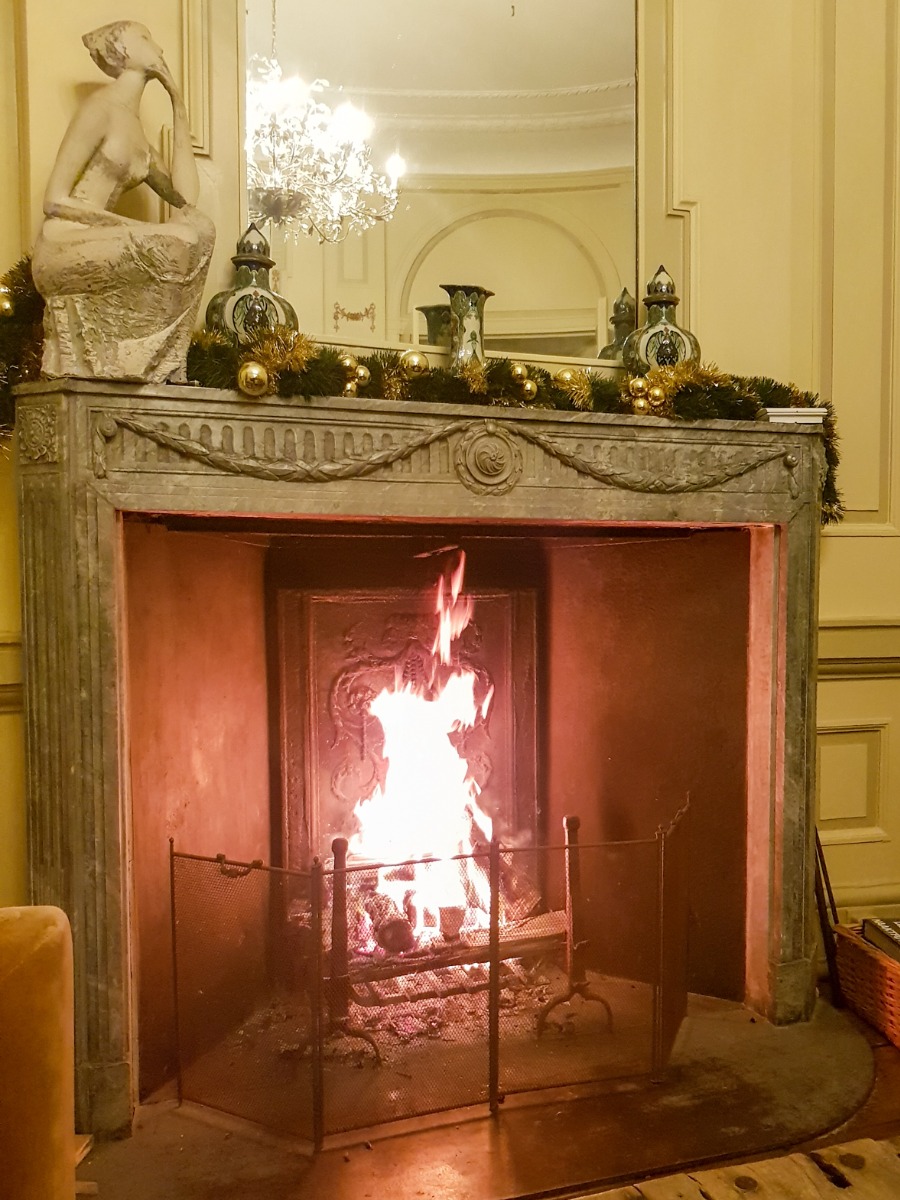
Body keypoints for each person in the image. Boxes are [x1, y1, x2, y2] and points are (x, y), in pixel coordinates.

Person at [32, 21, 215, 382]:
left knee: (200, 231)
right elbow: (53, 200)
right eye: (147, 38)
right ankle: (137, 361)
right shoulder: (100, 108)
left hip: (106, 239)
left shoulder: (139, 135)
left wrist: (178, 103)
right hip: (64, 242)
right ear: (124, 51)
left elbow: (186, 199)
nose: (159, 48)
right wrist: (132, 227)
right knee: (173, 241)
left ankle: (156, 362)